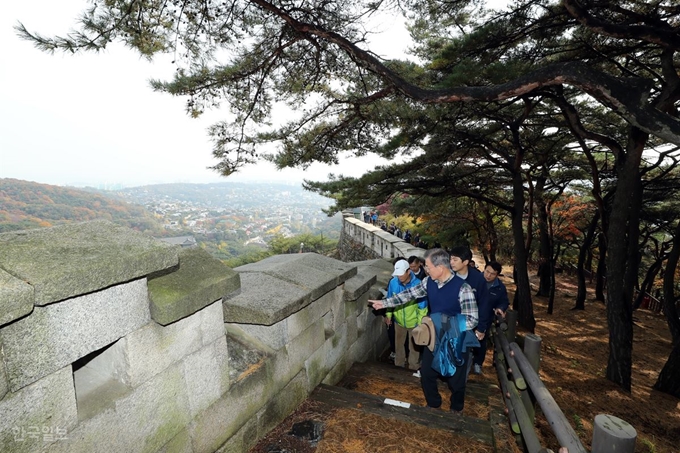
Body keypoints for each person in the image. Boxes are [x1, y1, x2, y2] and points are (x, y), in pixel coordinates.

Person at [369, 248, 480, 413]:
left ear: (440, 268)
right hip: (434, 339)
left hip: (455, 341)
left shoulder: (463, 289)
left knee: (456, 380)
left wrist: (446, 325)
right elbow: (409, 294)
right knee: (427, 373)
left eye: (428, 266)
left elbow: (472, 319)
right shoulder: (429, 282)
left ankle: (456, 408)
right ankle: (434, 403)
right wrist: (384, 303)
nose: (425, 270)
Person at [385, 260, 428, 370]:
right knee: (398, 344)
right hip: (398, 321)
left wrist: (420, 324)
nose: (399, 277)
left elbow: (422, 306)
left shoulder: (418, 284)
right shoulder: (393, 282)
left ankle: (413, 366)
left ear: (408, 271)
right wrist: (389, 314)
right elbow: (390, 299)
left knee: (414, 347)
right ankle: (398, 365)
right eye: (397, 274)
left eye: (401, 274)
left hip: (414, 322)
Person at [470, 261, 510, 374]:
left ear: (497, 275)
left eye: (492, 274)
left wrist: (500, 308)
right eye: (487, 271)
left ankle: (478, 363)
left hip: (485, 319)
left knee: (481, 342)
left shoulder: (499, 288)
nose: (488, 275)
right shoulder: (475, 279)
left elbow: (504, 301)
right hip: (469, 316)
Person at [449, 246, 490, 345]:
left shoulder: (478, 279)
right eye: (450, 259)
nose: (451, 262)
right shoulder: (448, 277)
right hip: (450, 324)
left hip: (470, 326)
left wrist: (481, 327)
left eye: (455, 260)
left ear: (466, 262)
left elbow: (484, 304)